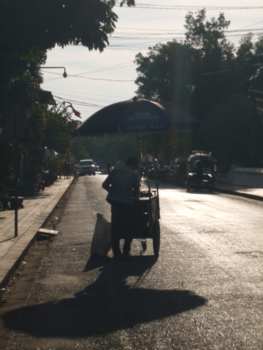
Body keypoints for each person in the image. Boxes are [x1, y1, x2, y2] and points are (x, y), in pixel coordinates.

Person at [102, 157, 140, 258]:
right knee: (129, 227)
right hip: (126, 204)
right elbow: (137, 192)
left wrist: (113, 191)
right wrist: (129, 193)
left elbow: (105, 185)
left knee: (115, 227)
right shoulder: (133, 174)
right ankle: (126, 251)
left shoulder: (115, 171)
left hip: (114, 202)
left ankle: (116, 253)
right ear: (133, 165)